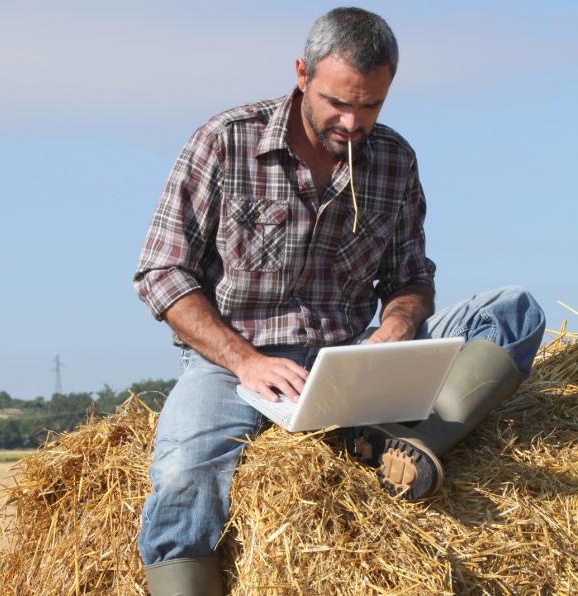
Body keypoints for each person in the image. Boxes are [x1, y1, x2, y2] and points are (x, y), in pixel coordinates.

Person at [133, 7, 545, 595]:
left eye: (371, 105)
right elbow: (161, 273)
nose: (353, 122)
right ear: (302, 74)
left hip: (355, 360)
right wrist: (247, 360)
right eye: (337, 103)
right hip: (237, 370)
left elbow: (411, 279)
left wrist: (395, 329)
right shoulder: (224, 143)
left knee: (514, 311)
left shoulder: (395, 161)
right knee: (183, 478)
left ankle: (410, 448)